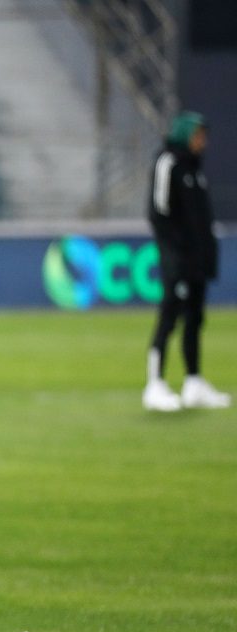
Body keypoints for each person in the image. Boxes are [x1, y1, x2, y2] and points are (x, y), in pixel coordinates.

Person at [142, 110, 230, 411]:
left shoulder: (195, 169)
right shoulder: (168, 163)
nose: (202, 142)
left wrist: (205, 254)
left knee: (195, 319)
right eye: (198, 135)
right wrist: (174, 254)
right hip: (177, 258)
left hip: (197, 259)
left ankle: (194, 381)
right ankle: (155, 383)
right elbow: (159, 213)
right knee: (169, 316)